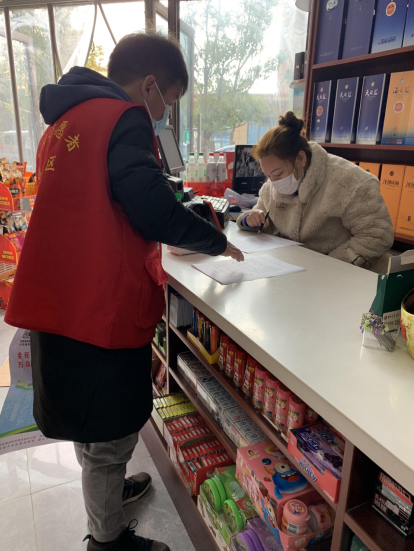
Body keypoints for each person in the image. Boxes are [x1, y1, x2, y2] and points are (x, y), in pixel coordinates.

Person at [5, 32, 243, 551]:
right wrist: (214, 239)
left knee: (88, 421)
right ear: (150, 85)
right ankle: (107, 539)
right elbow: (150, 207)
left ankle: (107, 496)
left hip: (59, 298)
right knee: (109, 431)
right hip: (99, 305)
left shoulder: (62, 122)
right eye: (169, 101)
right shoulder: (124, 117)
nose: (164, 114)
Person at [238, 112, 394, 270]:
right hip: (293, 268)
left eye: (278, 174)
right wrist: (250, 219)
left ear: (301, 159)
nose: (273, 182)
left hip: (340, 271)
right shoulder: (272, 186)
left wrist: (328, 265)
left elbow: (377, 235)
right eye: (268, 176)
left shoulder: (350, 182)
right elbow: (260, 212)